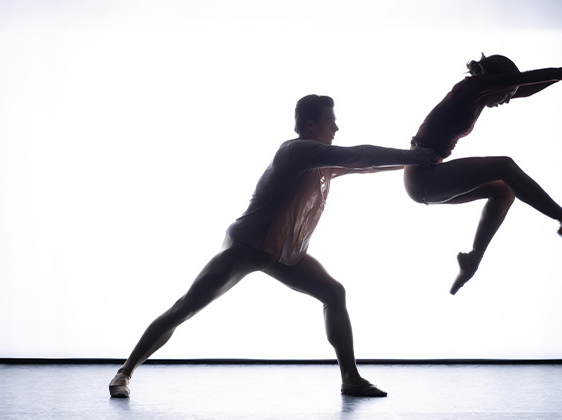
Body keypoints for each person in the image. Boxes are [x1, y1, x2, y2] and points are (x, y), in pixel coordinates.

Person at [109, 94, 439, 398]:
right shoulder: (296, 151)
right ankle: (124, 373)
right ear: (311, 124)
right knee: (186, 307)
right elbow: (359, 154)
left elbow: (364, 165)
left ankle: (350, 379)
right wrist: (415, 156)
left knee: (333, 293)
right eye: (330, 120)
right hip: (248, 246)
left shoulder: (321, 163)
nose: (336, 126)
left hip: (285, 253)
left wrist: (420, 160)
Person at [403, 54, 562, 295]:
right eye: (508, 93)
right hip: (422, 176)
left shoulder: (479, 96)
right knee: (505, 167)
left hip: (428, 179)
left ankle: (473, 259)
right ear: (495, 80)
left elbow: (524, 87)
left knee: (505, 191)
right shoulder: (470, 88)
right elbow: (524, 79)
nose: (509, 100)